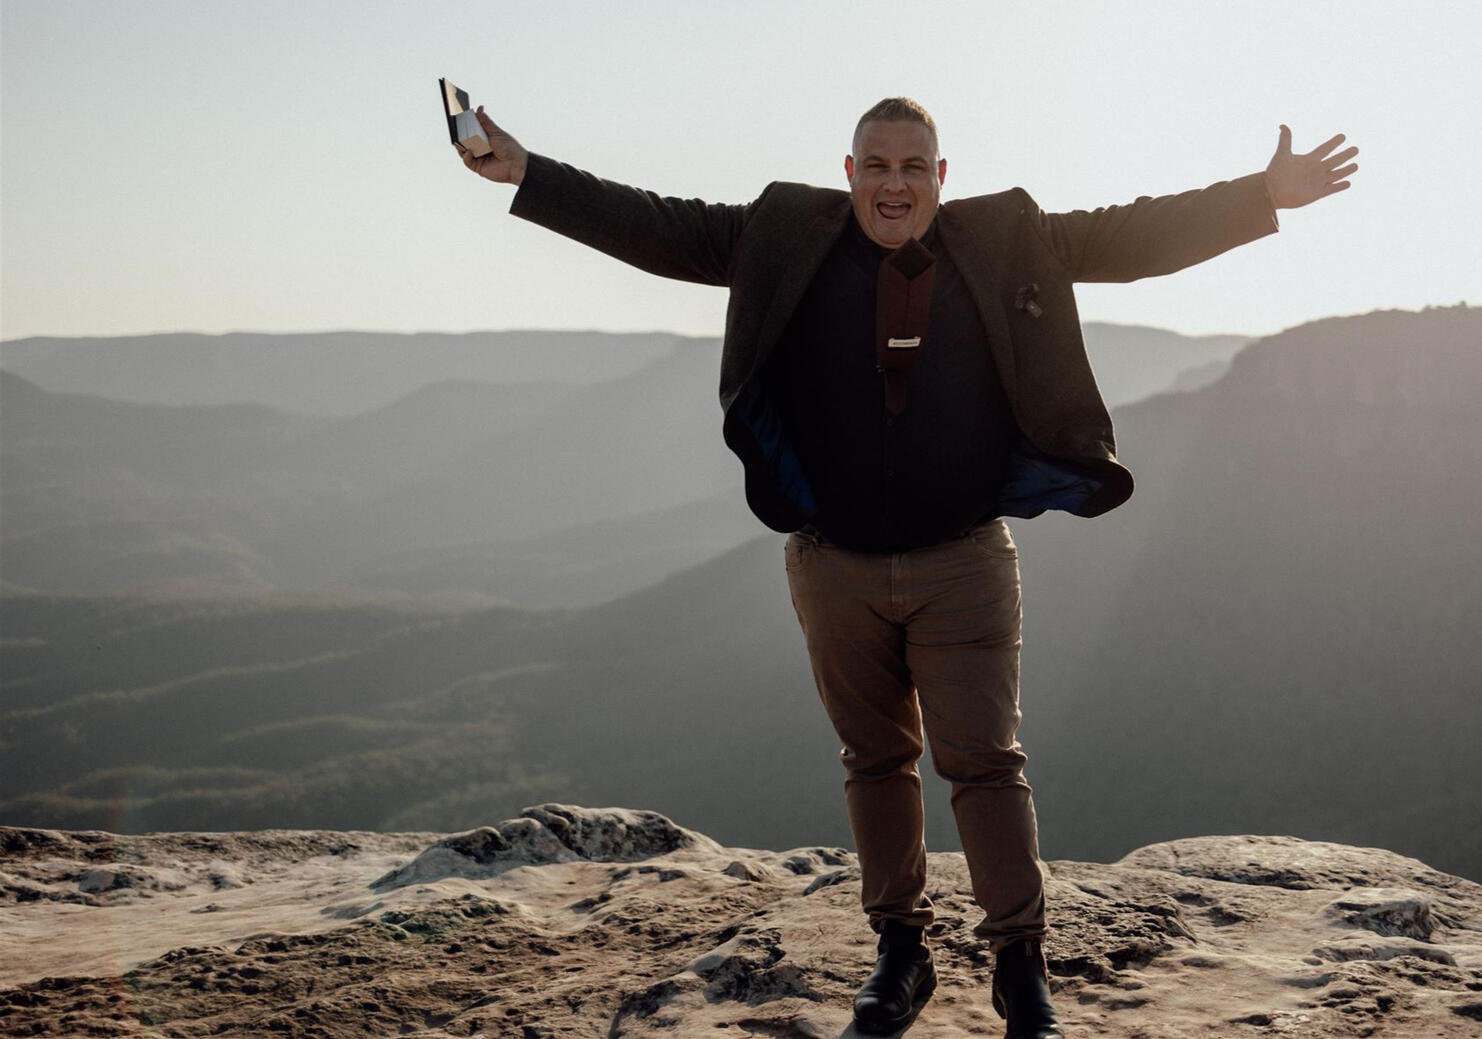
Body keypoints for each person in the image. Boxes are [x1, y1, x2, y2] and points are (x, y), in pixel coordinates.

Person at [458, 98, 1356, 1037]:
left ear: (941, 176)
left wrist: (1263, 196)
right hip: (832, 563)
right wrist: (527, 170)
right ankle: (901, 952)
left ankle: (1021, 968)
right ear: (849, 173)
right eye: (876, 166)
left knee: (985, 764)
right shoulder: (780, 235)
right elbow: (653, 225)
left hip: (963, 559)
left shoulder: (1006, 237)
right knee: (876, 759)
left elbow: (1129, 237)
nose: (894, 184)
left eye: (912, 167)